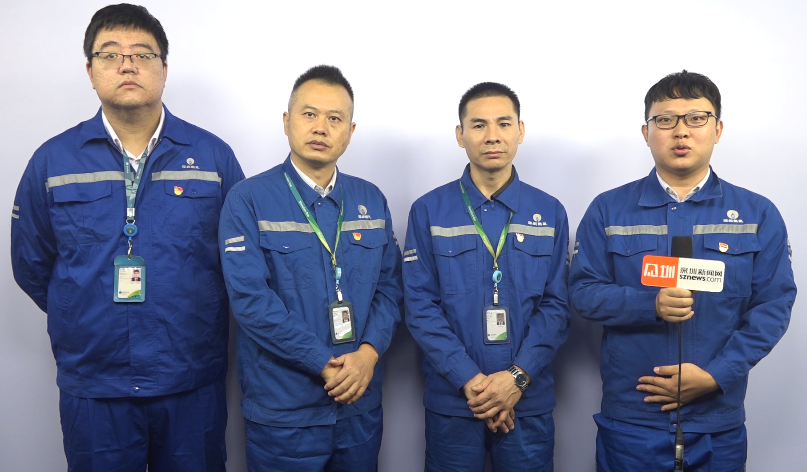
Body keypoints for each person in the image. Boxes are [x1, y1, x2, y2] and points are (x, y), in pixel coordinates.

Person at [10, 4, 244, 471]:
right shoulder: (52, 162)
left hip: (190, 378)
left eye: (142, 54)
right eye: (110, 54)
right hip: (95, 382)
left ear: (164, 69)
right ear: (90, 71)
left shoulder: (213, 158)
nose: (127, 65)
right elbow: (32, 264)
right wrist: (83, 314)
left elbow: (241, 264)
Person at [568, 70, 796, 471]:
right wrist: (650, 304)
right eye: (665, 119)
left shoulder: (757, 214)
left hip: (717, 421)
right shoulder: (608, 209)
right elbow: (583, 291)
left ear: (717, 129)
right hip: (632, 422)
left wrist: (715, 375)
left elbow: (773, 306)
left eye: (696, 118)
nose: (681, 131)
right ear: (646, 132)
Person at [219, 65, 403, 472]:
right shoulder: (247, 199)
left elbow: (390, 289)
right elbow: (251, 301)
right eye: (309, 114)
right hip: (283, 412)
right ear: (287, 122)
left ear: (350, 132)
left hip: (359, 405)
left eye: (334, 118)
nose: (321, 127)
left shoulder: (371, 199)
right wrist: (323, 362)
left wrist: (368, 355)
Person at [403, 82, 571, 472]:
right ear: (460, 135)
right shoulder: (428, 211)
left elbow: (557, 306)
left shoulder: (550, 211)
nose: (492, 135)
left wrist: (516, 379)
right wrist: (472, 382)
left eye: (503, 123)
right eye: (478, 125)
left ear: (520, 131)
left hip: (527, 400)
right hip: (455, 402)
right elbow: (420, 307)